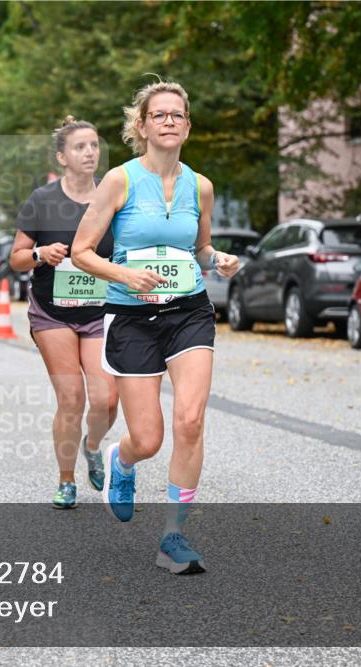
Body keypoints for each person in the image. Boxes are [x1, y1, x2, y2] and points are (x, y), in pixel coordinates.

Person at [71, 81, 240, 573]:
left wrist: (219, 260)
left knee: (190, 420)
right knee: (148, 438)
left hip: (188, 311)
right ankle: (123, 463)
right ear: (141, 125)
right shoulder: (119, 182)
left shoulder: (200, 186)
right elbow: (82, 252)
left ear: (188, 125)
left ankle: (173, 537)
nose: (168, 121)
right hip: (131, 317)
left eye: (177, 115)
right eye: (159, 114)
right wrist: (125, 274)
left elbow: (201, 250)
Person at [9, 116, 119, 508]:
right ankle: (66, 479)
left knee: (106, 399)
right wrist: (39, 254)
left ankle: (92, 446)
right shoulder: (43, 200)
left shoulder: (112, 198)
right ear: (62, 156)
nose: (90, 152)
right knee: (71, 397)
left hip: (99, 311)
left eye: (94, 145)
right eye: (80, 147)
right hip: (52, 312)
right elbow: (17, 258)